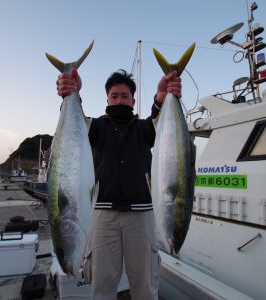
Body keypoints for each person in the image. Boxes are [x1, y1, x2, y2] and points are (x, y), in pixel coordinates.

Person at [56, 68, 181, 300]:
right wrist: (72, 94)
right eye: (114, 96)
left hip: (141, 216)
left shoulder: (144, 129)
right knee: (102, 284)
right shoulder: (95, 128)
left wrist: (161, 100)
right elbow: (74, 126)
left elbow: (161, 125)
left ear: (133, 100)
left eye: (124, 96)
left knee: (144, 284)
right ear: (107, 99)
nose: (119, 100)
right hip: (103, 216)